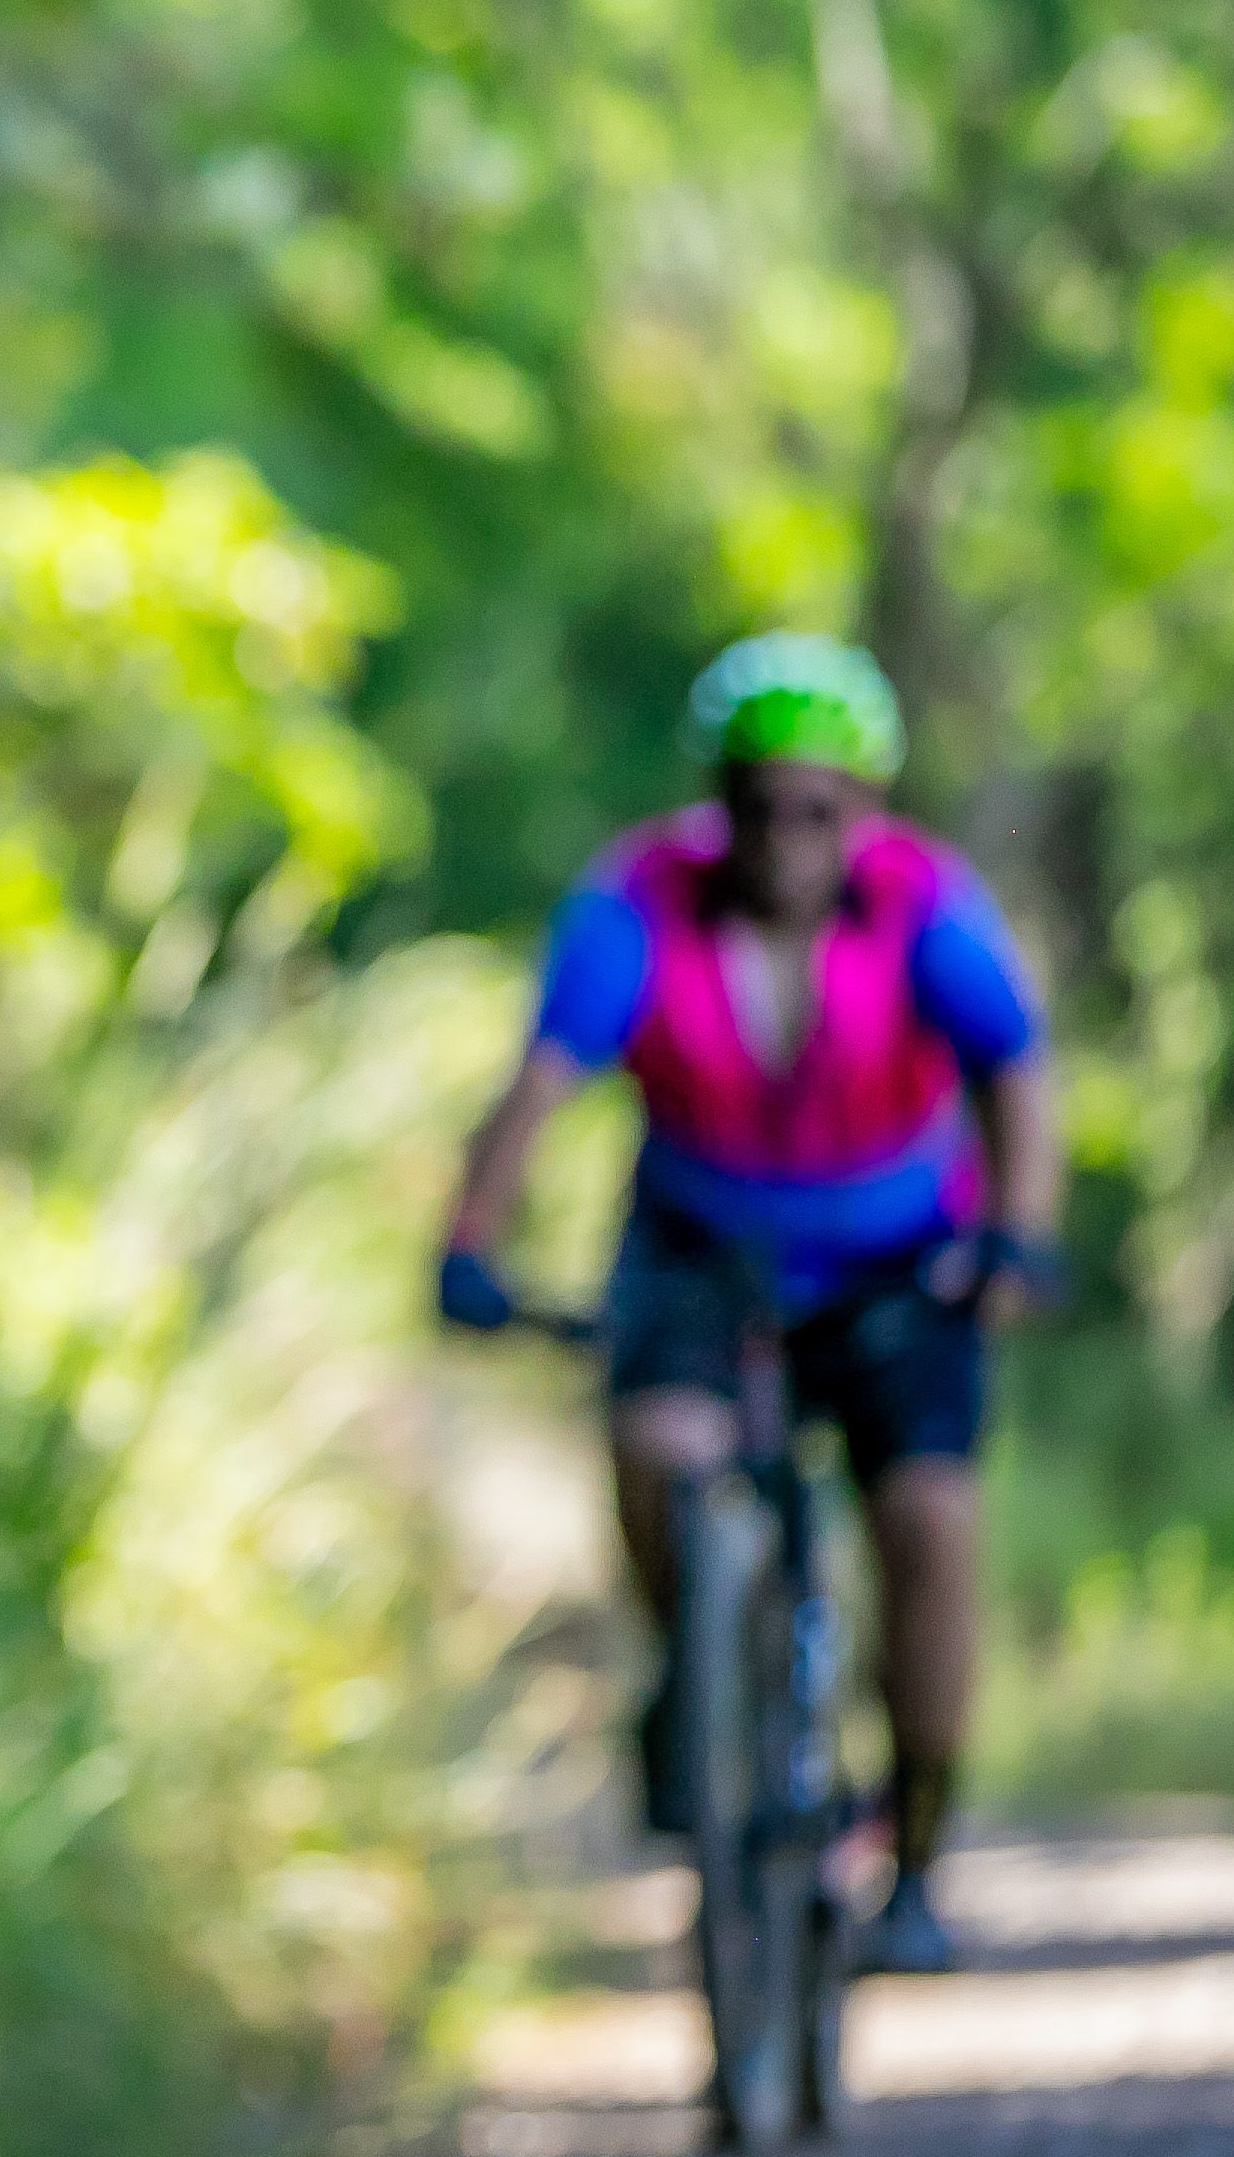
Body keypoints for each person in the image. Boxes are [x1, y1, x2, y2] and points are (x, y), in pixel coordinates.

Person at [438, 634, 1058, 1977]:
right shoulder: (638, 904)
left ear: (863, 808)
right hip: (700, 1248)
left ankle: (916, 1864)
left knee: (929, 1524)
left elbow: (1016, 1070)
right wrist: (470, 1241)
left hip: (901, 1261)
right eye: (759, 806)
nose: (787, 836)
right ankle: (703, 1680)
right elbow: (541, 1082)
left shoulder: (926, 906)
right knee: (658, 1448)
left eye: (818, 808)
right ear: (720, 802)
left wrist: (1019, 1239)